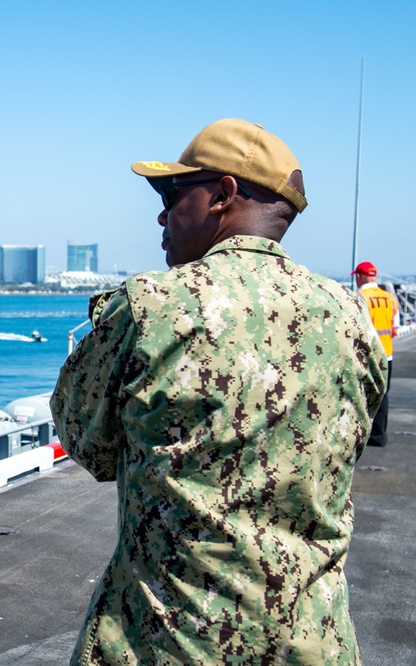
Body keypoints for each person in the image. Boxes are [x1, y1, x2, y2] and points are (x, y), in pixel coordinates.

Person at [51, 118, 387, 665]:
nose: (162, 213)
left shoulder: (152, 306)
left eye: (173, 192)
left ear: (223, 195)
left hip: (170, 646)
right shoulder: (351, 317)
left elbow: (86, 441)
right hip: (313, 645)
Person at [353, 260, 399, 447]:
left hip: (366, 354)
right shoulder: (390, 298)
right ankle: (380, 436)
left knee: (361, 395)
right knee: (383, 394)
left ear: (360, 276)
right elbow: (394, 327)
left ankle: (361, 434)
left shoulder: (359, 296)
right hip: (387, 353)